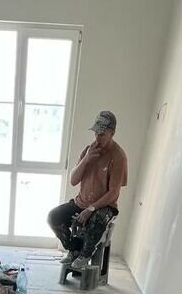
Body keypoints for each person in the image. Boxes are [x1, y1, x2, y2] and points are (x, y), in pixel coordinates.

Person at [47, 110, 128, 272]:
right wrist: (86, 159)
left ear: (112, 133)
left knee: (95, 221)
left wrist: (90, 209)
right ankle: (74, 249)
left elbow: (113, 192)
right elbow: (73, 180)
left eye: (102, 134)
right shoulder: (88, 150)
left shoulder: (118, 156)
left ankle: (85, 254)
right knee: (54, 217)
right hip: (81, 202)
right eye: (96, 133)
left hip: (105, 206)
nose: (97, 138)